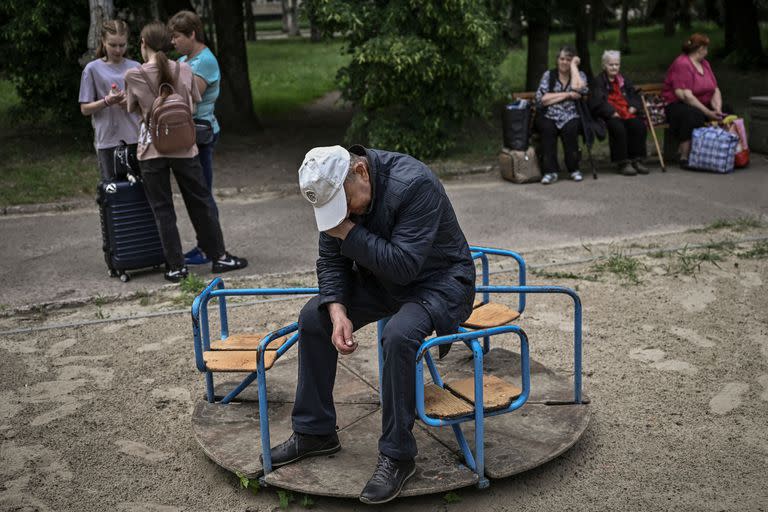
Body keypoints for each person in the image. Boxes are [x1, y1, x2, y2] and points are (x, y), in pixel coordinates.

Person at [268, 145, 475, 505]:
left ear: (361, 171)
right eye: (334, 209)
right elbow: (330, 261)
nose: (343, 212)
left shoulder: (414, 184)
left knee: (398, 334)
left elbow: (404, 266)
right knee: (312, 317)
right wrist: (337, 312)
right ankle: (315, 431)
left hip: (438, 281)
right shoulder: (339, 191)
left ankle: (397, 456)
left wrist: (346, 229)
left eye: (345, 202)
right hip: (383, 279)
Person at [123, 21, 247, 282]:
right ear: (168, 43)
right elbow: (192, 106)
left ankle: (176, 266)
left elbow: (132, 108)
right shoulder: (185, 70)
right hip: (184, 146)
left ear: (143, 45)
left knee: (163, 208)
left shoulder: (134, 75)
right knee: (200, 202)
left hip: (151, 150)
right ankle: (220, 257)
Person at [168, 10, 221, 266]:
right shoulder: (184, 60)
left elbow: (190, 100)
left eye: (177, 36)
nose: (173, 42)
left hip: (201, 133)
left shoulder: (205, 61)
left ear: (192, 34)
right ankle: (205, 245)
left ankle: (210, 248)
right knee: (196, 193)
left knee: (203, 194)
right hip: (187, 134)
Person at [78, 20, 141, 181]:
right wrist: (107, 101)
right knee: (113, 193)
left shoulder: (136, 67)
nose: (118, 50)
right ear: (103, 42)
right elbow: (85, 109)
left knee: (138, 194)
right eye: (113, 45)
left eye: (122, 45)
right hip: (108, 141)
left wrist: (131, 102)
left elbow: (148, 106)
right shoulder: (92, 69)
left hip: (136, 139)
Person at [662, 33, 728, 166]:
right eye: (706, 47)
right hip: (678, 104)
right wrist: (708, 113)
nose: (707, 50)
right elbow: (685, 96)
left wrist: (717, 109)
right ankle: (685, 156)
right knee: (694, 115)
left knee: (728, 111)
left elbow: (715, 89)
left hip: (700, 102)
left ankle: (723, 152)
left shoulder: (705, 63)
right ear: (700, 49)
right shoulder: (682, 63)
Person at [534, 45, 589, 185]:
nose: (564, 62)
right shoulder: (549, 75)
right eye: (562, 58)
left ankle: (573, 169)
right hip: (549, 114)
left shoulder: (580, 75)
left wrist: (574, 67)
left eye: (568, 59)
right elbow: (543, 99)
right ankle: (550, 172)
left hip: (571, 114)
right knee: (547, 129)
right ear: (557, 60)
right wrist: (568, 94)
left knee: (570, 129)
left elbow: (579, 88)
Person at [589, 50, 649, 176]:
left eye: (617, 64)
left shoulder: (624, 80)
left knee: (638, 125)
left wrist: (634, 106)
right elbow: (596, 101)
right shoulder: (598, 81)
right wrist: (611, 112)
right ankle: (623, 162)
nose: (614, 67)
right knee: (618, 127)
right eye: (611, 65)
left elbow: (634, 95)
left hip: (627, 111)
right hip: (609, 114)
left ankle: (637, 160)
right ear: (604, 65)